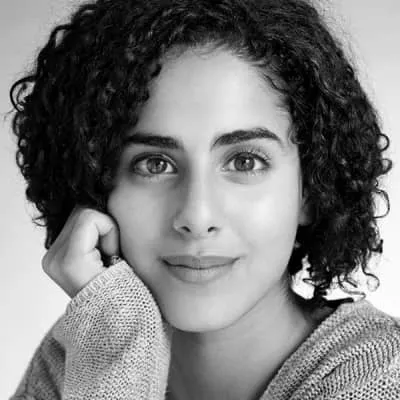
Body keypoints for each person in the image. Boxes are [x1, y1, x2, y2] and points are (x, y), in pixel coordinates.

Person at [9, 0, 400, 399]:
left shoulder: (383, 379)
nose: (197, 216)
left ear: (311, 189)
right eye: (155, 164)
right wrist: (115, 339)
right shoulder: (83, 351)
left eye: (245, 161)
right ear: (93, 187)